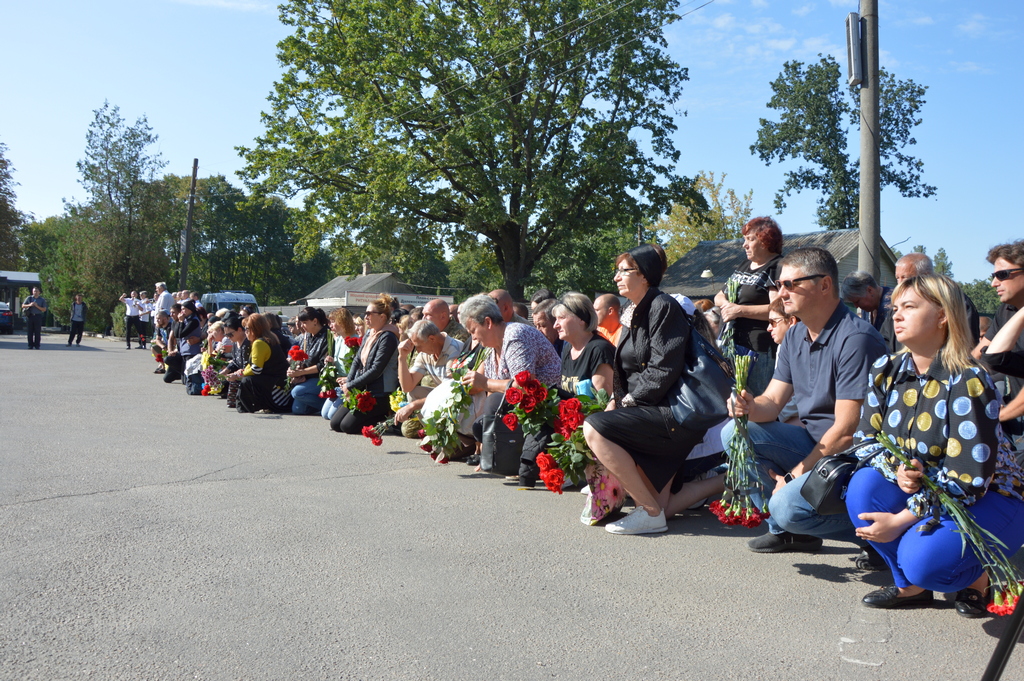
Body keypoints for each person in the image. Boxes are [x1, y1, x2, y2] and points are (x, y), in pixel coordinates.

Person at [845, 274, 1024, 616]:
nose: (896, 315)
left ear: (943, 315)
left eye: (909, 307)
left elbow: (968, 481)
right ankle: (911, 587)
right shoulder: (886, 368)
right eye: (894, 308)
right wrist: (896, 470)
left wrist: (899, 520)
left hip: (990, 497)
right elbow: (866, 440)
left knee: (924, 561)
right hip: (929, 490)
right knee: (863, 488)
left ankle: (980, 577)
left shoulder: (969, 379)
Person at [725, 246, 887, 554]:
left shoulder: (856, 339)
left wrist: (792, 475)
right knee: (733, 432)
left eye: (790, 284)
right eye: (780, 284)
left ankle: (875, 535)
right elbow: (771, 403)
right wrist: (747, 406)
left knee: (784, 506)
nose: (781, 292)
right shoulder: (795, 336)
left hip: (856, 460)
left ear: (824, 285)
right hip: (817, 445)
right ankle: (789, 533)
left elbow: (847, 432)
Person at [580, 244, 711, 534]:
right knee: (665, 508)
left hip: (669, 413)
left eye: (625, 270)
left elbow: (664, 368)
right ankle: (724, 480)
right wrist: (616, 400)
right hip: (647, 408)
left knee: (594, 428)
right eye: (618, 271)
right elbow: (625, 369)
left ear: (645, 276)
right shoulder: (631, 311)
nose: (616, 277)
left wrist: (627, 403)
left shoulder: (663, 306)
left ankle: (648, 513)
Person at [460, 294, 561, 486]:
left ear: (488, 322)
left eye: (473, 330)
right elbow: (494, 396)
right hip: (526, 409)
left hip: (548, 405)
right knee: (482, 422)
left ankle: (517, 461)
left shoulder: (516, 334)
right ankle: (503, 459)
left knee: (493, 402)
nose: (473, 337)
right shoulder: (491, 350)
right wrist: (487, 449)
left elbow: (524, 386)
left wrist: (485, 382)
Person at [714, 216, 784, 395]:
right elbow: (719, 296)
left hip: (758, 350)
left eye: (750, 239)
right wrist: (728, 306)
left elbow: (777, 309)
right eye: (745, 240)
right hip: (730, 344)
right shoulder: (745, 265)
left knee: (755, 400)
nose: (744, 245)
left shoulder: (777, 266)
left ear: (766, 240)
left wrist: (739, 311)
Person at [975, 239, 1024, 450]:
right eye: (994, 276)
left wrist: (997, 416)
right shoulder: (1007, 310)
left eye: (1002, 275)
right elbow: (980, 356)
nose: (994, 283)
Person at [881, 253, 981, 352]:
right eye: (897, 278)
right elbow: (884, 342)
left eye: (905, 277)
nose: (900, 283)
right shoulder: (896, 311)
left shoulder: (956, 303)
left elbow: (966, 344)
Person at [331, 294, 401, 434]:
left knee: (347, 427)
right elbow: (357, 360)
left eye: (369, 313)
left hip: (379, 392)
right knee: (335, 423)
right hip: (363, 388)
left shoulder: (388, 337)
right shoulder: (370, 333)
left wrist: (350, 385)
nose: (365, 317)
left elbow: (376, 369)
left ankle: (383, 417)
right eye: (365, 313)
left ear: (382, 317)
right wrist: (348, 384)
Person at [395, 320, 464, 437]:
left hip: (458, 397)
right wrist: (402, 357)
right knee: (413, 393)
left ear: (432, 339)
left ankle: (449, 436)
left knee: (416, 402)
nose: (417, 351)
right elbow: (407, 387)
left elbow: (449, 392)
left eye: (419, 346)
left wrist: (413, 406)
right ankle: (434, 434)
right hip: (442, 395)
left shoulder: (455, 349)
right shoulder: (425, 352)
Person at [551, 292, 614, 397]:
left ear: (581, 319)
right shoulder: (568, 349)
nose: (555, 325)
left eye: (561, 318)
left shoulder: (599, 350)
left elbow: (604, 402)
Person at [227, 314, 292, 414]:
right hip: (280, 382)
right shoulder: (270, 338)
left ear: (255, 329)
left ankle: (251, 407)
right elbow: (252, 363)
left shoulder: (259, 343)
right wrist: (242, 371)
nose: (246, 332)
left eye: (247, 329)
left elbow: (256, 369)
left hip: (276, 388)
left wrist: (238, 375)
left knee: (247, 380)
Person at [289, 307, 331, 415]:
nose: (302, 326)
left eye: (304, 323)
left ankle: (329, 404)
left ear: (315, 321)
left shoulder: (327, 336)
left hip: (321, 378)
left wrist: (302, 372)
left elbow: (322, 365)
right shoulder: (307, 336)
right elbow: (304, 358)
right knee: (298, 410)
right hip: (308, 377)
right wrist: (295, 368)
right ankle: (321, 405)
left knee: (297, 392)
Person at [320, 308, 358, 422]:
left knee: (331, 416)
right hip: (338, 384)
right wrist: (330, 361)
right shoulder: (339, 340)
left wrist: (348, 380)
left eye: (332, 321)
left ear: (342, 321)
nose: (330, 324)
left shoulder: (355, 340)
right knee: (325, 414)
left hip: (348, 384)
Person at [164, 301, 202, 384]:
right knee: (169, 362)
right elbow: (176, 334)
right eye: (181, 309)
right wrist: (180, 322)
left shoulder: (194, 320)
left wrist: (181, 322)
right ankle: (180, 373)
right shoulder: (184, 320)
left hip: (191, 351)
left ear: (190, 310)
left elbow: (181, 334)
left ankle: (185, 376)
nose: (182, 312)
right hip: (183, 351)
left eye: (184, 309)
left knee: (185, 381)